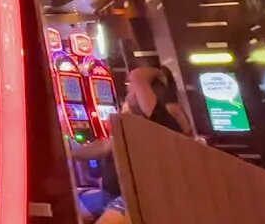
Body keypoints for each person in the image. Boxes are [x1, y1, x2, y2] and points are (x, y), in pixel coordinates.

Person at [70, 65, 190, 224]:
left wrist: (155, 72)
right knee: (66, 203)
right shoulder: (137, 125)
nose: (127, 94)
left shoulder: (160, 121)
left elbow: (138, 75)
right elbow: (105, 146)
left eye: (130, 88)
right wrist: (67, 152)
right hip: (110, 196)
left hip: (139, 198)